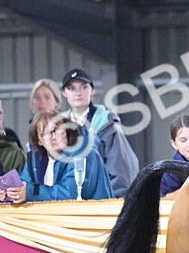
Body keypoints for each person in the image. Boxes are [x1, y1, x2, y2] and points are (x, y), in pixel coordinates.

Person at [0, 110, 113, 203]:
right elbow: (24, 186)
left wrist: (31, 192)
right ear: (39, 141)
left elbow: (72, 194)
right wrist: (12, 194)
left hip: (92, 222)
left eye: (57, 130)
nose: (54, 136)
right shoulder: (34, 161)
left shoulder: (85, 154)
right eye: (47, 133)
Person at [59, 68, 139, 197]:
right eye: (71, 88)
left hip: (100, 202)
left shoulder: (107, 124)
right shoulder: (57, 126)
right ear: (64, 93)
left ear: (92, 90)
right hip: (65, 201)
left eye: (84, 87)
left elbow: (121, 167)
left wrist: (112, 201)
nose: (78, 93)